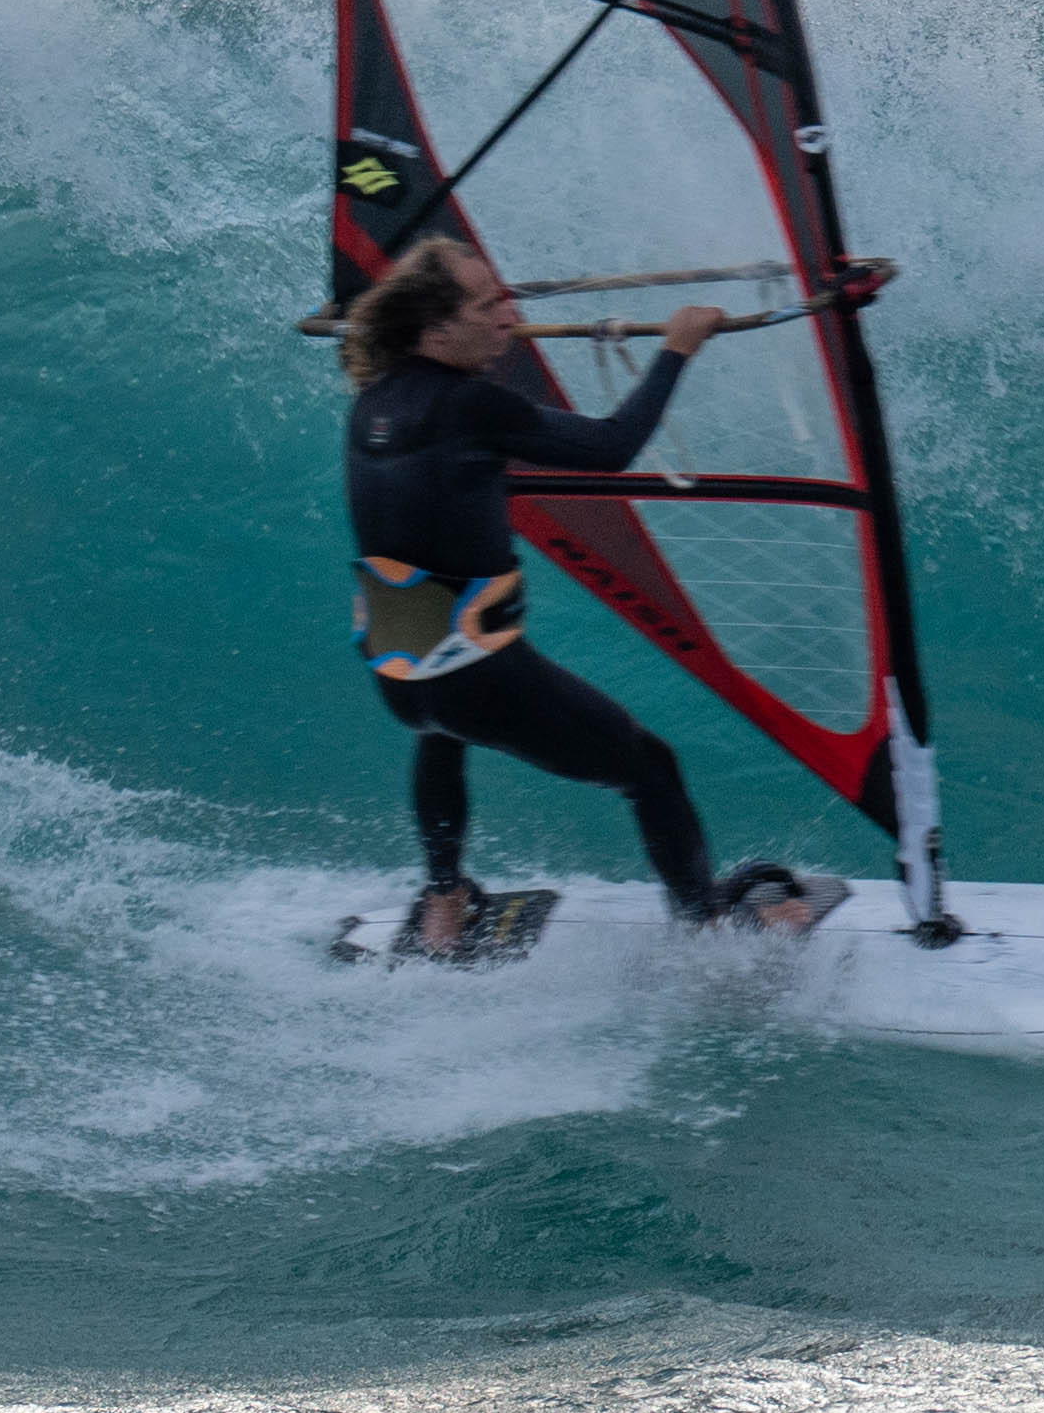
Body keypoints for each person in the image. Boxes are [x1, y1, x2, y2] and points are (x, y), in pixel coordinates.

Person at [338, 236, 809, 955]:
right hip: (477, 679)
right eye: (487, 304)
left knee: (441, 734)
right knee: (652, 770)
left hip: (401, 677)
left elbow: (445, 485)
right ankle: (706, 930)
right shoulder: (472, 407)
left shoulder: (372, 404)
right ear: (435, 331)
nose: (508, 314)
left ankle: (443, 896)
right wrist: (678, 348)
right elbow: (610, 446)